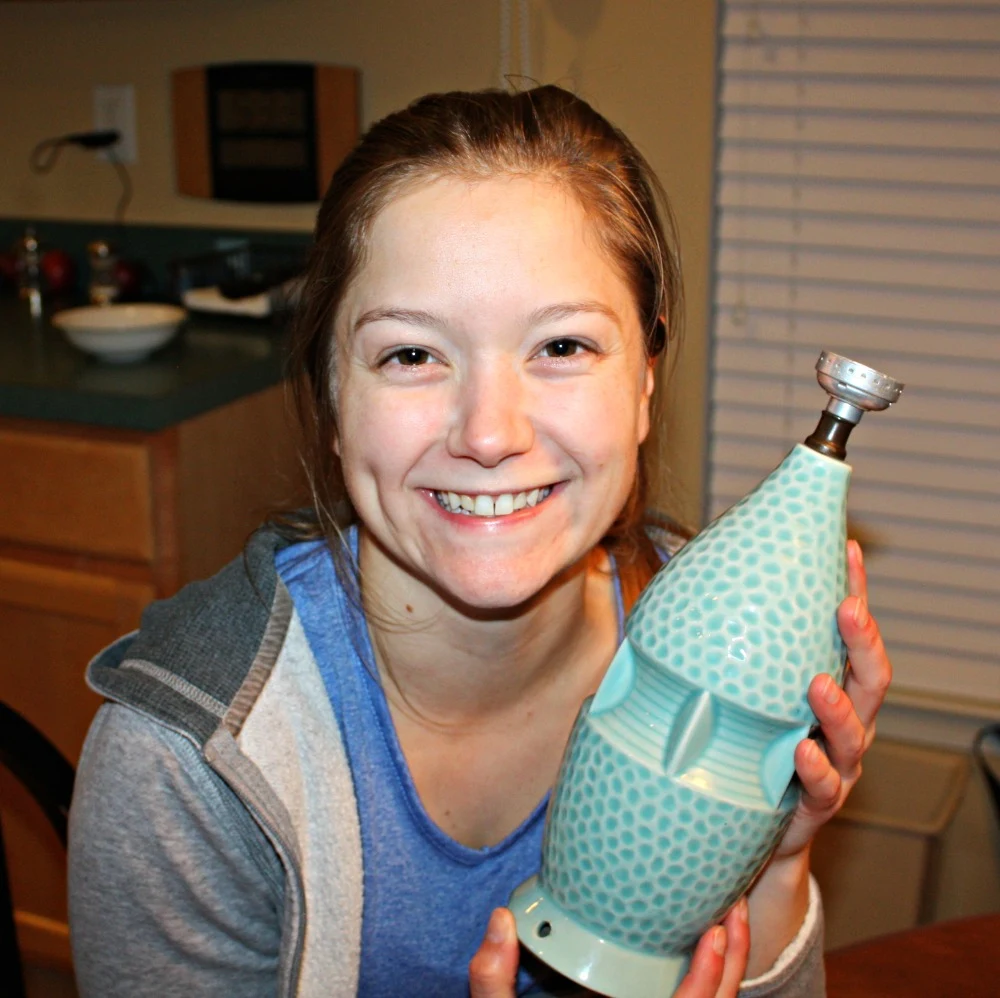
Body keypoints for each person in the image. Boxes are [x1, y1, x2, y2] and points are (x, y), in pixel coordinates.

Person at [68, 85, 890, 998]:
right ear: (334, 401)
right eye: (412, 355)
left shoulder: (731, 668)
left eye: (563, 347)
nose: (490, 434)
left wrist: (771, 866)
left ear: (647, 382)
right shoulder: (187, 761)